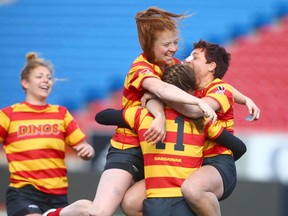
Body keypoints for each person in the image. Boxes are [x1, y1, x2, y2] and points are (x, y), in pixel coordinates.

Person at [89, 7, 217, 216]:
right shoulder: (140, 68)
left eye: (176, 42)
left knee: (134, 204)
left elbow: (159, 96)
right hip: (129, 149)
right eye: (166, 44)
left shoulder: (173, 65)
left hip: (161, 152)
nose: (174, 48)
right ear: (150, 45)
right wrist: (197, 103)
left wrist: (240, 97)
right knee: (100, 212)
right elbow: (159, 89)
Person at [95, 64, 247, 216]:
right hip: (186, 204)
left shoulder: (142, 116)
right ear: (190, 92)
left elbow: (102, 116)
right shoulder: (202, 122)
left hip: (155, 205)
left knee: (129, 204)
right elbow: (239, 147)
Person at [0, 52, 95, 216]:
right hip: (24, 193)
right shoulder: (8, 115)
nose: (46, 80)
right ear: (25, 83)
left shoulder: (61, 113)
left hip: (57, 196)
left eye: (49, 77)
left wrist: (87, 151)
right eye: (39, 76)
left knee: (87, 208)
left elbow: (84, 148)